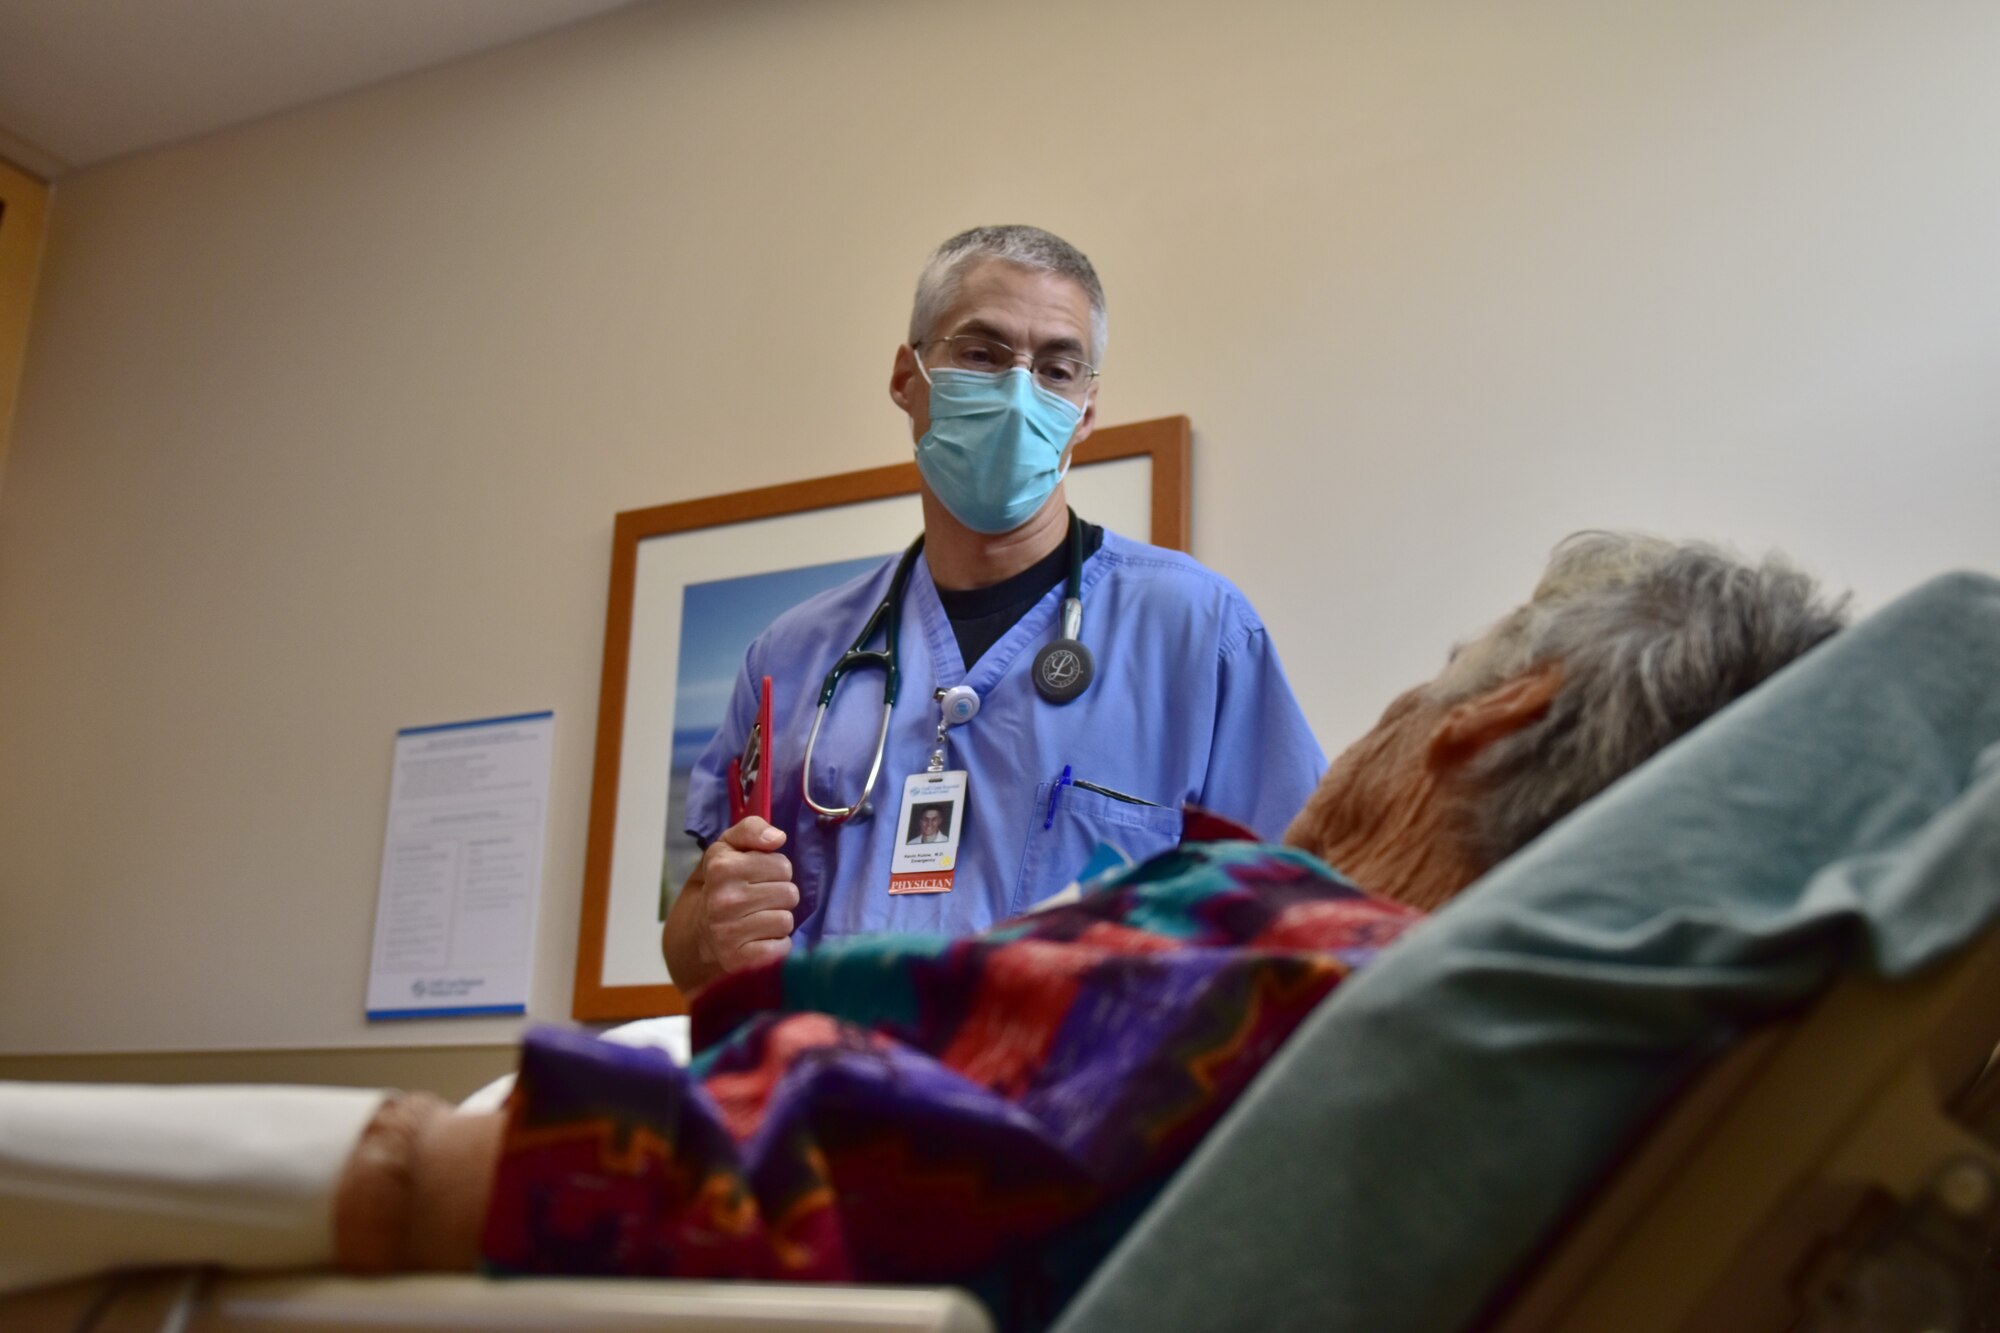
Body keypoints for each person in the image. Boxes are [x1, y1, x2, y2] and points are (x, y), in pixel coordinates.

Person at [0, 531, 1847, 1314]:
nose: (1374, 710)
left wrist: (398, 1171)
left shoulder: (1297, 950)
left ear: (1495, 722)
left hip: (573, 1180)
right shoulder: (1480, 1047)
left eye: (1428, 672)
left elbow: (839, 1165)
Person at [663, 226, 1324, 992]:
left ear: (1085, 410)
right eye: (982, 353)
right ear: (907, 377)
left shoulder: (1198, 632)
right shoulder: (793, 653)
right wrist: (716, 930)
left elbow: (1308, 915)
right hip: (829, 1098)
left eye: (1056, 368)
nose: (1019, 391)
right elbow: (689, 940)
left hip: (1078, 1106)